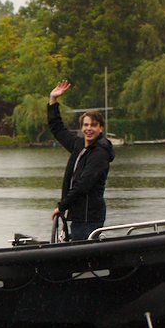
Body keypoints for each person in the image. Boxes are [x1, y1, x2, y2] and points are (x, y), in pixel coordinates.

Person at [48, 79, 115, 241]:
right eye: (85, 125)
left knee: (84, 254)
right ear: (81, 127)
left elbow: (83, 185)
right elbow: (57, 128)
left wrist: (62, 206)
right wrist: (53, 100)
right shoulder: (79, 145)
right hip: (78, 216)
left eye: (93, 125)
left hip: (89, 217)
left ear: (101, 128)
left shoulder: (100, 153)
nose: (88, 129)